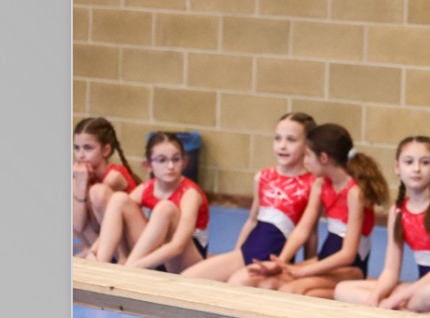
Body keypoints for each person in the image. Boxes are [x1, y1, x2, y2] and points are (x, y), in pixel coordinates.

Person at [234, 123, 388, 299]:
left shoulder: (354, 193)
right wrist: (281, 262)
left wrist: (303, 271)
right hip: (325, 260)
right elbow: (303, 229)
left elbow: (348, 254)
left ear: (323, 158)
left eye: (308, 155)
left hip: (350, 268)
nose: (305, 161)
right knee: (266, 283)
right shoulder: (320, 185)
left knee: (290, 291)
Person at [335, 136, 430, 318]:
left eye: (425, 162)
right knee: (342, 289)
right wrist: (374, 298)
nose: (416, 169)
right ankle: (411, 312)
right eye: (409, 162)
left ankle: (403, 309)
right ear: (397, 167)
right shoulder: (397, 212)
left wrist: (395, 298)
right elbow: (390, 272)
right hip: (422, 290)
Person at [183, 113, 318, 282]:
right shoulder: (263, 177)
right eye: (278, 138)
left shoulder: (312, 184)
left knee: (236, 283)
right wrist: (236, 252)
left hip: (273, 261)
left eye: (291, 140)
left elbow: (310, 233)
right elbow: (252, 220)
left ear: (307, 145)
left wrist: (304, 269)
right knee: (187, 279)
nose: (282, 146)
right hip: (246, 253)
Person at [89, 131, 210, 273]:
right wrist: (93, 251)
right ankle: (99, 265)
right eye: (162, 160)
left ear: (184, 162)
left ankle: (128, 269)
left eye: (176, 159)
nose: (170, 166)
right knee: (119, 199)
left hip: (186, 260)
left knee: (165, 209)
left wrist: (132, 267)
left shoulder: (190, 194)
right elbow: (112, 218)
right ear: (148, 165)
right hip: (155, 257)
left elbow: (178, 246)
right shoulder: (146, 188)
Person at [72, 116, 141, 257]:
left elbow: (99, 225)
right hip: (98, 242)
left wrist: (82, 187)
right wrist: (80, 184)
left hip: (130, 243)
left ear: (106, 150)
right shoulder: (81, 176)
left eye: (88, 148)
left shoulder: (114, 177)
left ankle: (120, 257)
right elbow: (78, 226)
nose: (81, 155)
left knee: (97, 192)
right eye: (77, 148)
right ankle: (90, 252)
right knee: (76, 186)